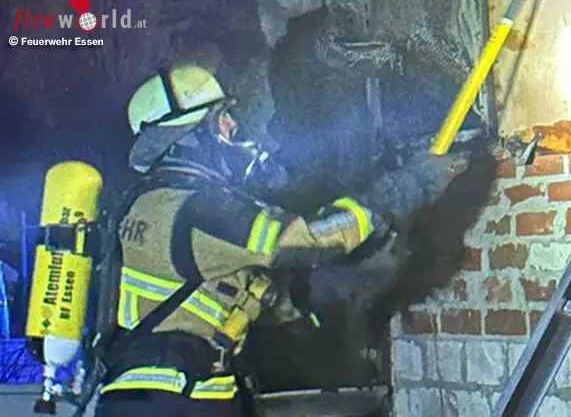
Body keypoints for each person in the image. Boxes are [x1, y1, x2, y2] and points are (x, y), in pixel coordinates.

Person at [91, 64, 470, 417]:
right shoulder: (198, 208)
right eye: (221, 119)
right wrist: (407, 186)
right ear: (190, 136)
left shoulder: (143, 203)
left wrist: (319, 295)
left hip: (142, 395)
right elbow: (309, 240)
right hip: (179, 398)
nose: (233, 127)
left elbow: (220, 293)